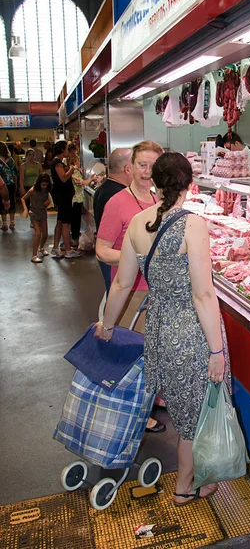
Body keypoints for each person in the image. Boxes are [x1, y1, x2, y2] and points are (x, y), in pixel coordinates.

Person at [95, 152, 229, 505]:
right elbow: (202, 294)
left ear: (153, 182)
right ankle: (186, 486)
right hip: (192, 333)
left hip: (157, 328)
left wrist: (107, 325)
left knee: (182, 408)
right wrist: (216, 351)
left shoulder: (138, 223)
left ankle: (191, 476)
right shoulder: (192, 224)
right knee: (194, 415)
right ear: (189, 185)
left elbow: (122, 284)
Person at [96, 140, 165, 434]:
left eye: (153, 166)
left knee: (153, 351)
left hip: (157, 291)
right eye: (142, 165)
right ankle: (135, 414)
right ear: (130, 167)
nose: (147, 172)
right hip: (130, 292)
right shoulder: (117, 203)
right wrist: (134, 258)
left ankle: (150, 398)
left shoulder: (159, 200)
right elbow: (101, 250)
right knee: (132, 355)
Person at [93, 148, 134, 291]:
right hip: (114, 259)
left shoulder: (104, 189)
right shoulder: (118, 195)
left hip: (112, 258)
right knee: (114, 297)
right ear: (128, 169)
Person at [50, 140, 81, 260]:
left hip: (62, 195)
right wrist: (72, 169)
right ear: (62, 150)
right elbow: (63, 178)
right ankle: (68, 249)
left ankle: (56, 246)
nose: (68, 150)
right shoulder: (57, 163)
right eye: (67, 148)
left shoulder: (59, 162)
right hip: (63, 196)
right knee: (66, 223)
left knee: (60, 221)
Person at [21, 173, 52, 263]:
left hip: (42, 212)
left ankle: (41, 247)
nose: (44, 186)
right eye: (43, 185)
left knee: (45, 234)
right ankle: (34, 255)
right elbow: (23, 198)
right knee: (38, 233)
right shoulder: (33, 190)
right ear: (39, 183)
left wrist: (48, 201)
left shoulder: (47, 190)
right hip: (34, 213)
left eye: (46, 185)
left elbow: (48, 198)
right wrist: (25, 209)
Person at [70, 155, 95, 246]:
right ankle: (75, 238)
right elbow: (81, 183)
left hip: (77, 198)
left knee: (76, 218)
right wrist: (91, 178)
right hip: (77, 199)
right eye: (78, 160)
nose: (79, 162)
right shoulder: (75, 172)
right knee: (76, 219)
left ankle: (75, 236)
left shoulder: (74, 172)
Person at [0, 142, 17, 231]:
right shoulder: (11, 160)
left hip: (1, 184)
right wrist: (16, 184)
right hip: (11, 183)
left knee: (2, 203)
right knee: (12, 202)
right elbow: (14, 173)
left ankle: (4, 223)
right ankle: (12, 222)